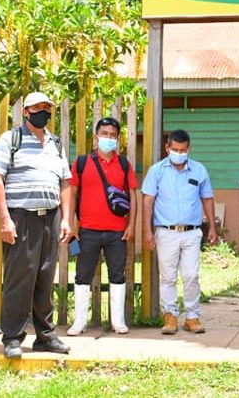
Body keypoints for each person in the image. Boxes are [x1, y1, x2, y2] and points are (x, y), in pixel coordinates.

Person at [0, 92, 73, 358]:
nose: (43, 113)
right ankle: (12, 337)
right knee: (19, 279)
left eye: (47, 108)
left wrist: (67, 218)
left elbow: (66, 183)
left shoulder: (56, 144)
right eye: (37, 108)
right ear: (25, 112)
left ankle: (45, 336)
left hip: (50, 216)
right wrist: (5, 219)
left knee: (45, 277)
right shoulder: (10, 139)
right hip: (21, 218)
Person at [141, 129, 217, 335]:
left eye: (183, 150)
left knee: (191, 275)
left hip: (192, 232)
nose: (179, 153)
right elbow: (147, 200)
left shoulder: (199, 170)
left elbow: (207, 198)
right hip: (166, 232)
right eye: (175, 149)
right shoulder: (156, 171)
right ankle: (170, 316)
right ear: (167, 148)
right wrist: (147, 231)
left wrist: (212, 226)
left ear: (188, 149)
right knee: (167, 276)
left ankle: (192, 317)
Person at [68, 117, 138, 336]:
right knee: (82, 275)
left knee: (117, 274)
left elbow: (133, 196)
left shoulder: (124, 164)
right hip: (87, 230)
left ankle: (118, 321)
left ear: (118, 139)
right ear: (96, 137)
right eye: (104, 134)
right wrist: (70, 223)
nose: (108, 138)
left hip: (117, 231)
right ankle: (79, 322)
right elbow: (71, 193)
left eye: (112, 135)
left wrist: (132, 225)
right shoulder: (81, 163)